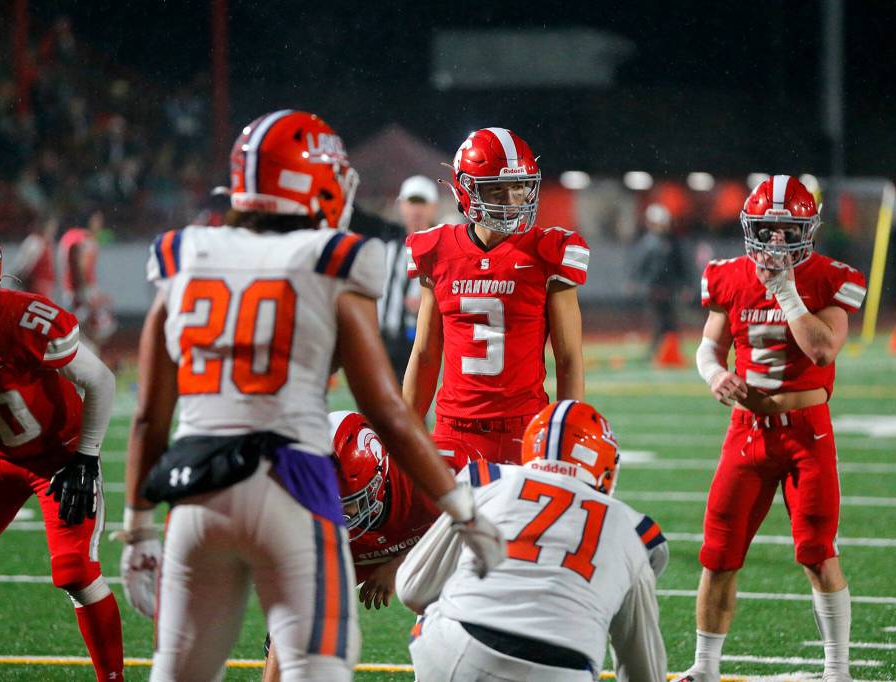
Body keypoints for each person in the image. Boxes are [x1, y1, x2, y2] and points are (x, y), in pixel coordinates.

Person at [116, 109, 504, 682]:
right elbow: (386, 413)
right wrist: (462, 510)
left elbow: (151, 415)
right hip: (291, 489)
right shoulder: (334, 261)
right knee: (315, 667)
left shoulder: (184, 255)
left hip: (197, 493)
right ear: (314, 182)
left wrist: (139, 526)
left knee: (179, 672)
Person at [681, 175, 867, 682]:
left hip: (807, 432)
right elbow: (708, 347)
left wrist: (786, 292)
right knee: (718, 553)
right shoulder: (727, 274)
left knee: (816, 552)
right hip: (746, 431)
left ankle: (837, 671)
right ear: (750, 227)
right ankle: (704, 666)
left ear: (810, 229)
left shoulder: (830, 277)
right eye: (768, 228)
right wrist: (714, 374)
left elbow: (823, 349)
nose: (777, 240)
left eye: (789, 229)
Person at [396, 399, 668, 681]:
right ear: (606, 469)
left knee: (436, 607)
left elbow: (412, 590)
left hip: (458, 653)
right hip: (562, 672)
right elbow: (642, 670)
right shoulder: (634, 528)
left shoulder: (488, 479)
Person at [404, 127, 587, 466]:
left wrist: (567, 436)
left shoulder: (548, 252)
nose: (512, 199)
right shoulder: (437, 250)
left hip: (526, 428)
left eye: (519, 186)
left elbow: (569, 359)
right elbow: (426, 353)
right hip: (452, 430)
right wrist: (406, 431)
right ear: (466, 190)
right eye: (497, 189)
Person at [0, 240, 122, 681]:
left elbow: (101, 380)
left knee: (76, 571)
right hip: (2, 456)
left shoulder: (21, 318)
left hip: (59, 457)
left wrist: (86, 457)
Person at [261, 410, 446, 682]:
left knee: (447, 602)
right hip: (349, 553)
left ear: (378, 478)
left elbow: (472, 532)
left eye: (346, 501)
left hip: (425, 549)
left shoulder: (425, 477)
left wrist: (401, 565)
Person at [355, 175, 439, 378]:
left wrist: (433, 302)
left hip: (418, 342)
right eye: (412, 203)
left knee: (412, 406)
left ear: (433, 207)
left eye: (422, 204)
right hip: (380, 341)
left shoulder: (444, 245)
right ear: (401, 205)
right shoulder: (386, 238)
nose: (416, 210)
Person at [57, 209, 117, 351]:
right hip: (82, 291)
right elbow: (82, 266)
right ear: (91, 221)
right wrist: (88, 292)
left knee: (73, 329)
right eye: (98, 220)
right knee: (101, 327)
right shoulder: (87, 240)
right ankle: (90, 358)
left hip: (69, 290)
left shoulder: (68, 236)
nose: (100, 224)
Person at [630, 202, 684, 357]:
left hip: (665, 287)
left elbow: (677, 266)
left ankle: (665, 350)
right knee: (662, 321)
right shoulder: (653, 242)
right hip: (656, 288)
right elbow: (643, 264)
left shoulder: (668, 242)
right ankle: (659, 350)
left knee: (666, 321)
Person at [9, 214, 57, 299]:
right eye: (51, 227)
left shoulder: (47, 243)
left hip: (44, 289)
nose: (53, 230)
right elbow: (23, 266)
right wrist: (20, 283)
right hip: (35, 290)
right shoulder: (35, 242)